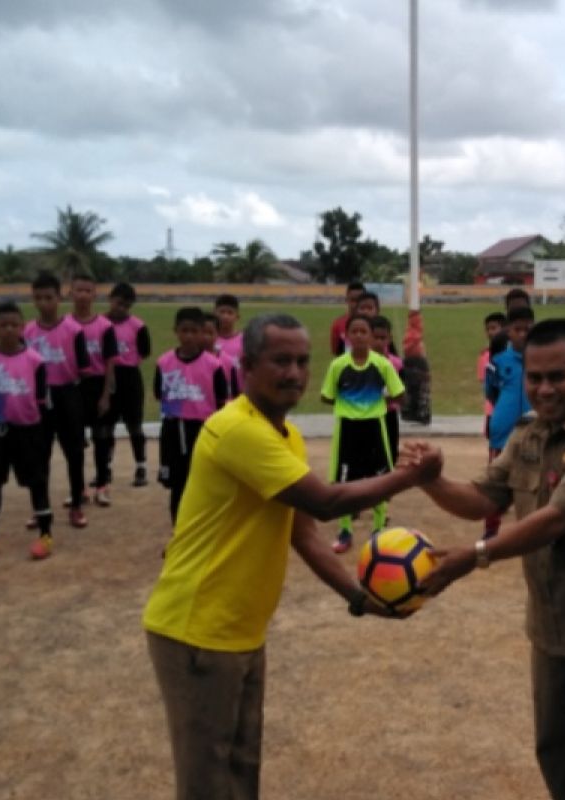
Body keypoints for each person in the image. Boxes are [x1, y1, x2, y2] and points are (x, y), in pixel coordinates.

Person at [142, 313, 434, 800]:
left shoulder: (287, 438)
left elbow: (303, 533)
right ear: (248, 366)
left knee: (241, 770)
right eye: (280, 361)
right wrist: (411, 476)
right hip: (196, 631)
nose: (295, 373)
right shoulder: (236, 429)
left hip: (241, 630)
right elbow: (327, 502)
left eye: (302, 361)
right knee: (208, 783)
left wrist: (359, 598)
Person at [405, 318, 565, 800]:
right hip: (554, 632)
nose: (544, 389)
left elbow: (557, 519)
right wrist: (430, 479)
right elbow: (484, 499)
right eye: (534, 377)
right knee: (562, 760)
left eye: (558, 376)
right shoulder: (528, 436)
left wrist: (476, 556)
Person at [0, 302, 52, 562]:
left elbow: (41, 402)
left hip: (26, 431)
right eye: (3, 325)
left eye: (14, 324)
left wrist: (40, 435)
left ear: (23, 327)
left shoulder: (35, 361)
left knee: (36, 481)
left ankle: (46, 535)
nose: (9, 330)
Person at [321, 313, 405, 553]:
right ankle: (345, 531)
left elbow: (399, 393)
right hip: (347, 427)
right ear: (346, 336)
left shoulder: (382, 365)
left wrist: (377, 399)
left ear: (370, 336)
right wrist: (351, 402)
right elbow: (326, 395)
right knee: (344, 481)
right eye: (354, 332)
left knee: (381, 479)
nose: (359, 336)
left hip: (375, 426)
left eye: (363, 332)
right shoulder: (338, 365)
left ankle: (378, 529)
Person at [26, 271, 91, 528]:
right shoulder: (28, 331)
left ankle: (76, 504)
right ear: (33, 300)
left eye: (49, 297)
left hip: (68, 395)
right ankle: (40, 508)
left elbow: (84, 371)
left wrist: (81, 406)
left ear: (59, 298)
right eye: (39, 298)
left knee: (74, 454)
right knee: (39, 456)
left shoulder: (74, 330)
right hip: (39, 399)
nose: (44, 303)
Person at [155, 307, 229, 523]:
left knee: (203, 482)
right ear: (175, 331)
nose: (189, 336)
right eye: (184, 330)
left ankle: (203, 531)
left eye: (194, 331)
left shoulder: (214, 366)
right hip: (172, 430)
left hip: (202, 430)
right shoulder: (164, 362)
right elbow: (160, 393)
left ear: (201, 332)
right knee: (177, 485)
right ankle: (178, 533)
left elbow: (220, 401)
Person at [483, 305, 534, 539]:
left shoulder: (540, 359)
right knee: (496, 481)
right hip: (503, 429)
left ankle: (534, 529)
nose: (523, 334)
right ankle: (491, 528)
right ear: (508, 332)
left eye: (527, 329)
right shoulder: (498, 361)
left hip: (535, 428)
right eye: (517, 329)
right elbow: (491, 392)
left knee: (535, 480)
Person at [69, 273, 117, 507]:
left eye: (88, 291)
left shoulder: (105, 326)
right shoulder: (65, 325)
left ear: (95, 294)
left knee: (101, 439)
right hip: (73, 387)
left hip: (97, 385)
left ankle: (101, 485)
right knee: (75, 442)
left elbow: (110, 362)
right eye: (79, 290)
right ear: (70, 293)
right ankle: (78, 489)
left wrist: (106, 395)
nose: (83, 295)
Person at [105, 282, 152, 488]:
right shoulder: (100, 323)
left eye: (126, 305)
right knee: (106, 425)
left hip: (130, 377)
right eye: (118, 303)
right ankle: (104, 467)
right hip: (107, 376)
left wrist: (127, 360)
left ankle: (141, 466)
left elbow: (145, 350)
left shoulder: (138, 326)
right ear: (110, 299)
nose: (121, 308)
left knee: (135, 425)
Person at [370, 314, 403, 467]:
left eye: (383, 338)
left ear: (389, 339)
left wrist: (392, 397)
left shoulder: (396, 363)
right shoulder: (361, 363)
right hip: (368, 414)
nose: (379, 342)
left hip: (389, 413)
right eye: (375, 337)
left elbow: (402, 391)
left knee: (390, 450)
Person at [477, 311, 507, 440]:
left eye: (494, 328)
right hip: (492, 411)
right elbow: (484, 385)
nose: (490, 332)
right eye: (488, 329)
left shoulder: (512, 356)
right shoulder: (484, 356)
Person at [203, 311, 239, 397]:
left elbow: (233, 392)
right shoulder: (190, 358)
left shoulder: (227, 361)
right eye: (203, 332)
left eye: (210, 333)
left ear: (218, 333)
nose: (206, 337)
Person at [328, 281, 366, 357]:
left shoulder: (373, 323)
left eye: (359, 300)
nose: (356, 304)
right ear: (347, 300)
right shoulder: (338, 324)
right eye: (353, 300)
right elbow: (336, 352)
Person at [214, 293, 244, 383]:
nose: (225, 316)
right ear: (214, 314)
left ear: (237, 317)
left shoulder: (245, 340)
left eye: (230, 313)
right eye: (222, 312)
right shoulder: (208, 340)